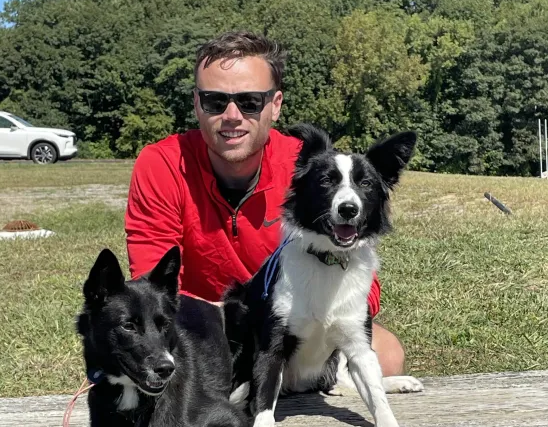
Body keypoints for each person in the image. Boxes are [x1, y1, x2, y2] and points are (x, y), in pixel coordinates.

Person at [125, 31, 406, 376]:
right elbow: (152, 285)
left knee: (388, 356)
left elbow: (358, 263)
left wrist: (316, 321)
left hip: (297, 318)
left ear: (275, 105)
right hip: (202, 325)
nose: (232, 115)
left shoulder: (308, 168)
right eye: (215, 101)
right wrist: (221, 319)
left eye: (250, 101)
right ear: (196, 103)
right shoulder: (160, 164)